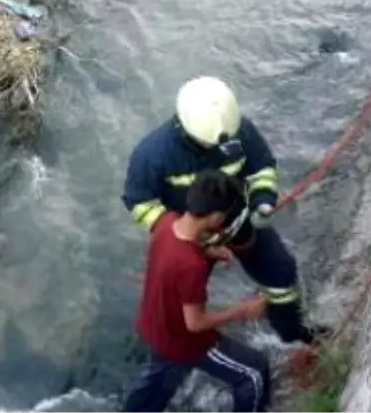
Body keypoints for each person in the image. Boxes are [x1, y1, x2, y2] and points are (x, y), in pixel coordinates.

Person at [122, 76, 319, 345]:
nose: (220, 149)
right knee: (179, 306)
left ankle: (292, 335)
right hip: (190, 239)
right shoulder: (151, 156)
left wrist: (263, 201)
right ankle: (183, 352)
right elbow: (140, 203)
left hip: (240, 223)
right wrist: (189, 237)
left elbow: (261, 167)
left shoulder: (238, 131)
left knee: (281, 273)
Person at [122, 170, 272, 413]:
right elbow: (195, 323)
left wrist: (207, 250)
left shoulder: (166, 223)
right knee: (254, 373)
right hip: (185, 343)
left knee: (155, 387)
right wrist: (243, 311)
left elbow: (174, 255)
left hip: (155, 327)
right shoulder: (192, 266)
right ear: (215, 217)